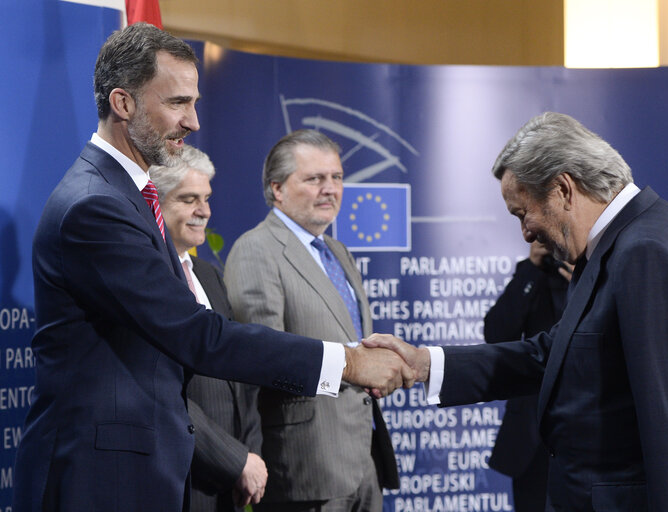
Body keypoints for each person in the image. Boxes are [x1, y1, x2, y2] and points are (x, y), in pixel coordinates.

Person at [14, 22, 411, 512]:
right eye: (178, 102)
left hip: (138, 468)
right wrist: (346, 362)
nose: (194, 121)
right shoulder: (95, 205)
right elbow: (196, 337)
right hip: (99, 478)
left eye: (194, 102)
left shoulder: (126, 195)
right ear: (123, 104)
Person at [366, 112, 668, 511]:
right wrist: (425, 364)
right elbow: (551, 355)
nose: (525, 233)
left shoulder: (646, 253)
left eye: (522, 213)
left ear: (562, 189)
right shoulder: (623, 244)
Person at [224, 129, 398, 512]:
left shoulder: (337, 251)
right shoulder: (256, 250)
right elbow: (261, 360)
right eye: (314, 178)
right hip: (305, 467)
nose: (330, 189)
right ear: (278, 189)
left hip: (363, 461)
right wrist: (353, 368)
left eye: (336, 177)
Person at [151, 146, 266, 511]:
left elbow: (241, 375)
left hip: (226, 486)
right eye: (188, 200)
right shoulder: (148, 280)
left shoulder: (209, 276)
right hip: (176, 480)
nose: (204, 211)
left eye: (206, 199)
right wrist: (235, 460)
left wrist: (250, 455)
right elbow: (162, 391)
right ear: (155, 204)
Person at [484, 240, 568, 512]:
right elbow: (496, 334)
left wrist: (583, 278)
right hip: (533, 441)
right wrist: (531, 269)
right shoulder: (532, 275)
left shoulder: (600, 274)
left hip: (586, 437)